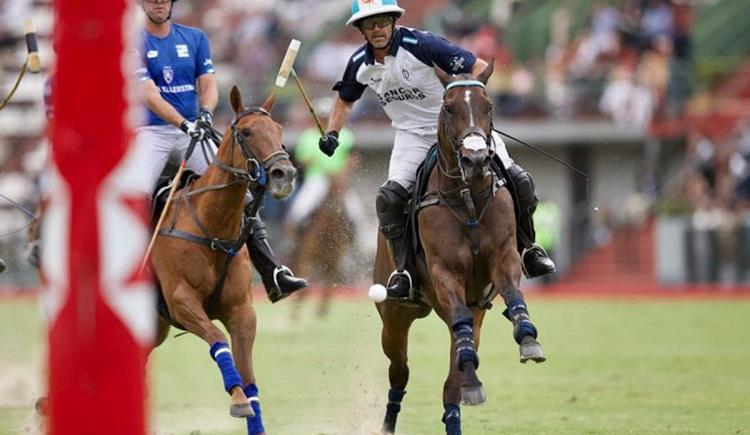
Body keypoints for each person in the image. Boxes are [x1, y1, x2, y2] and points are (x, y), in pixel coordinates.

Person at [318, 0, 556, 300]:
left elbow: (478, 67)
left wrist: (468, 112)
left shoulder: (422, 44)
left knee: (518, 179)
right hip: (411, 137)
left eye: (382, 22)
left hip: (458, 129)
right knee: (390, 199)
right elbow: (345, 99)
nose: (377, 29)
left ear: (393, 21)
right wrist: (332, 132)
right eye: (369, 24)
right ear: (361, 29)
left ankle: (530, 249)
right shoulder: (359, 63)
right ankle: (403, 271)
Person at [133, 0, 306, 301]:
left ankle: (272, 271)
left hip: (193, 128)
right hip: (153, 132)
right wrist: (183, 124)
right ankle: (132, 273)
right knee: (136, 196)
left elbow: (208, 85)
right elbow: (147, 93)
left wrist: (205, 113)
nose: (159, 3)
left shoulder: (195, 38)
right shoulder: (133, 41)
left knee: (243, 193)